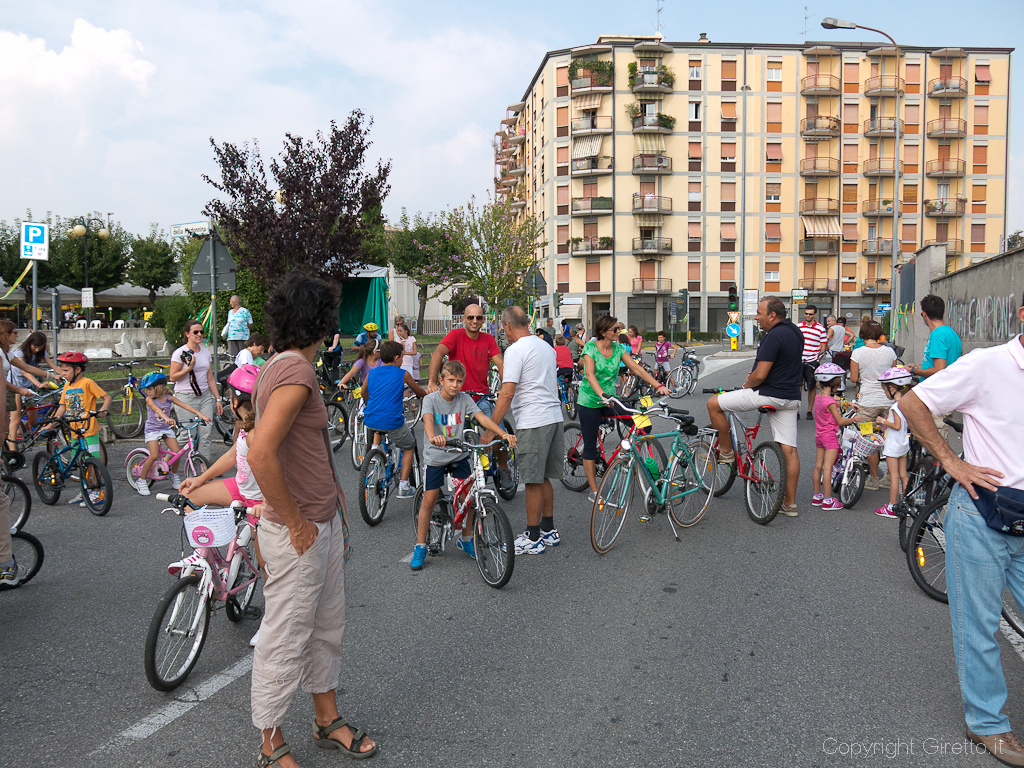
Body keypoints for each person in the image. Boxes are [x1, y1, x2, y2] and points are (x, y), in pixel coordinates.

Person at [247, 272, 377, 766]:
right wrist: (298, 524)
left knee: (325, 627)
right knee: (286, 636)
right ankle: (270, 741)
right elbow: (261, 455)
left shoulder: (277, 365)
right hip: (298, 530)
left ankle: (328, 719)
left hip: (319, 522)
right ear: (320, 321)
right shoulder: (297, 373)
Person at [898, 301, 1024, 765]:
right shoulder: (987, 364)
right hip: (981, 517)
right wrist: (951, 460)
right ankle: (988, 725)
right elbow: (913, 402)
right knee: (980, 627)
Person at [178, 363, 265, 646]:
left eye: (229, 396)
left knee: (271, 570)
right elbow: (231, 456)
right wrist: (199, 478)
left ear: (236, 401)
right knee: (189, 497)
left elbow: (278, 472)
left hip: (260, 501)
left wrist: (267, 505)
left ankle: (271, 624)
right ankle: (205, 555)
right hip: (238, 487)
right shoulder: (244, 423)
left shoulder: (260, 433)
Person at [410, 360, 515, 570]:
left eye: (459, 381)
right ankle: (420, 545)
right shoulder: (430, 400)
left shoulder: (464, 399)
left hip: (458, 454)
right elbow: (428, 421)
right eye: (450, 380)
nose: (455, 385)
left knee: (469, 497)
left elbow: (481, 418)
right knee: (429, 500)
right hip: (436, 456)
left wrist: (502, 433)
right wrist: (433, 437)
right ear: (441, 380)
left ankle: (466, 539)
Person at [488, 306, 574, 554]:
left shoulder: (515, 350)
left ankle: (533, 535)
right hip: (553, 417)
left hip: (533, 421)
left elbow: (507, 392)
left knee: (533, 481)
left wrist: (492, 427)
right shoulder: (545, 345)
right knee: (544, 477)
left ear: (506, 326)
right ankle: (549, 530)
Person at [707, 297, 803, 517]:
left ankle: (726, 452)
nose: (756, 318)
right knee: (789, 450)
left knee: (713, 404)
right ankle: (789, 504)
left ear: (772, 315)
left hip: (767, 394)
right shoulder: (796, 332)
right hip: (791, 398)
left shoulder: (773, 336)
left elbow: (760, 375)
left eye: (759, 313)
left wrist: (745, 385)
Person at [575, 315, 670, 502]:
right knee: (589, 445)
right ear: (603, 332)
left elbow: (638, 369)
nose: (619, 332)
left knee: (641, 423)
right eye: (615, 330)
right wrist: (602, 394)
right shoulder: (591, 348)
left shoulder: (618, 349)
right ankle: (594, 491)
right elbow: (590, 374)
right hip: (590, 402)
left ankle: (624, 453)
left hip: (611, 401)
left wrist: (658, 385)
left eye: (619, 329)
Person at [363, 340, 427, 499]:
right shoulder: (402, 374)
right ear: (397, 358)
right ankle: (404, 486)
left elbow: (364, 392)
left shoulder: (372, 372)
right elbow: (418, 391)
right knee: (409, 445)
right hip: (391, 421)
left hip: (370, 418)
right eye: (402, 357)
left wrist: (370, 401)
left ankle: (374, 449)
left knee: (379, 422)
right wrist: (427, 394)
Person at [133, 371, 212, 496]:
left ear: (158, 388)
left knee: (177, 452)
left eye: (149, 389)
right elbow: (156, 409)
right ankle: (141, 481)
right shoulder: (149, 399)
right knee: (154, 455)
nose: (147, 391)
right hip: (152, 430)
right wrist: (166, 418)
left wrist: (200, 414)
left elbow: (185, 405)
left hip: (165, 428)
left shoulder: (168, 397)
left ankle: (173, 474)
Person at [52, 351, 112, 506]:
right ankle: (86, 489)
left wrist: (103, 410)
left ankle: (97, 492)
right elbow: (62, 407)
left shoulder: (87, 383)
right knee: (81, 462)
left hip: (89, 429)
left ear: (77, 370)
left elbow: (107, 397)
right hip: (74, 431)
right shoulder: (66, 385)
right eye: (62, 370)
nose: (63, 373)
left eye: (66, 371)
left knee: (91, 462)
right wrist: (51, 424)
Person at [427, 304, 503, 417]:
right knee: (454, 433)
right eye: (470, 317)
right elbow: (438, 353)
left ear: (483, 320)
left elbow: (501, 364)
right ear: (464, 319)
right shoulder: (455, 335)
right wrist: (432, 382)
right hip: (457, 396)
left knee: (496, 431)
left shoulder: (488, 339)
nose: (475, 321)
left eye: (478, 318)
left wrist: (504, 388)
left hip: (482, 396)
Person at [906, 293, 963, 441]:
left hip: (937, 394)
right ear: (943, 312)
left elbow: (939, 369)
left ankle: (938, 464)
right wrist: (919, 366)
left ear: (924, 314)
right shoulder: (951, 333)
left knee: (935, 439)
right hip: (945, 392)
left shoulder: (938, 335)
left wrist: (913, 370)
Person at [849, 321, 897, 490]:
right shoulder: (890, 352)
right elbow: (893, 375)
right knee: (890, 439)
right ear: (879, 334)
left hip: (868, 401)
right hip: (888, 401)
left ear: (862, 334)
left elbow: (854, 379)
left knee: (870, 438)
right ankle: (890, 477)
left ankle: (874, 479)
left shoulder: (858, 353)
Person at [169, 320, 222, 459]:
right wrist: (189, 368)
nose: (199, 334)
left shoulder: (205, 352)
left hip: (204, 396)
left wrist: (217, 398)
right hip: (185, 397)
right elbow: (173, 377)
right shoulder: (179, 353)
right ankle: (167, 460)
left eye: (201, 332)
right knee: (188, 435)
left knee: (206, 434)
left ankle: (204, 468)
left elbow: (210, 377)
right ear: (187, 334)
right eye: (196, 332)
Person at [810, 363, 858, 511]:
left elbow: (833, 401)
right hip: (830, 437)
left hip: (819, 435)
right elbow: (841, 421)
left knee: (818, 466)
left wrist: (846, 402)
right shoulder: (830, 402)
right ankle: (828, 500)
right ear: (833, 384)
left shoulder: (818, 398)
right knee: (828, 467)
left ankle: (817, 496)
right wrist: (856, 419)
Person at [872, 367, 913, 519]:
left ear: (891, 387)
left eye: (885, 390)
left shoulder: (895, 406)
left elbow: (896, 425)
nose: (885, 393)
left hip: (893, 445)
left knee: (894, 476)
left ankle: (891, 507)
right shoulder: (905, 403)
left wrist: (882, 420)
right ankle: (906, 502)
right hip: (903, 444)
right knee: (904, 475)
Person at [6, 328, 57, 447]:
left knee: (34, 421)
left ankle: (15, 436)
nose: (37, 349)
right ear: (29, 343)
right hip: (15, 388)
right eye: (35, 347)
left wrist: (63, 374)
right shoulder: (19, 352)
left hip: (29, 388)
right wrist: (39, 384)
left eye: (40, 347)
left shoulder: (40, 352)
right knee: (16, 419)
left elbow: (52, 365)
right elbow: (25, 371)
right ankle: (13, 451)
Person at [797, 304, 828, 420]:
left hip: (812, 361)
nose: (807, 316)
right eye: (806, 313)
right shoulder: (799, 327)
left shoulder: (820, 328)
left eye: (810, 314)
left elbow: (823, 346)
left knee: (812, 387)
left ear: (814, 315)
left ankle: (809, 410)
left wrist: (818, 359)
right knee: (797, 386)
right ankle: (796, 410)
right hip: (799, 360)